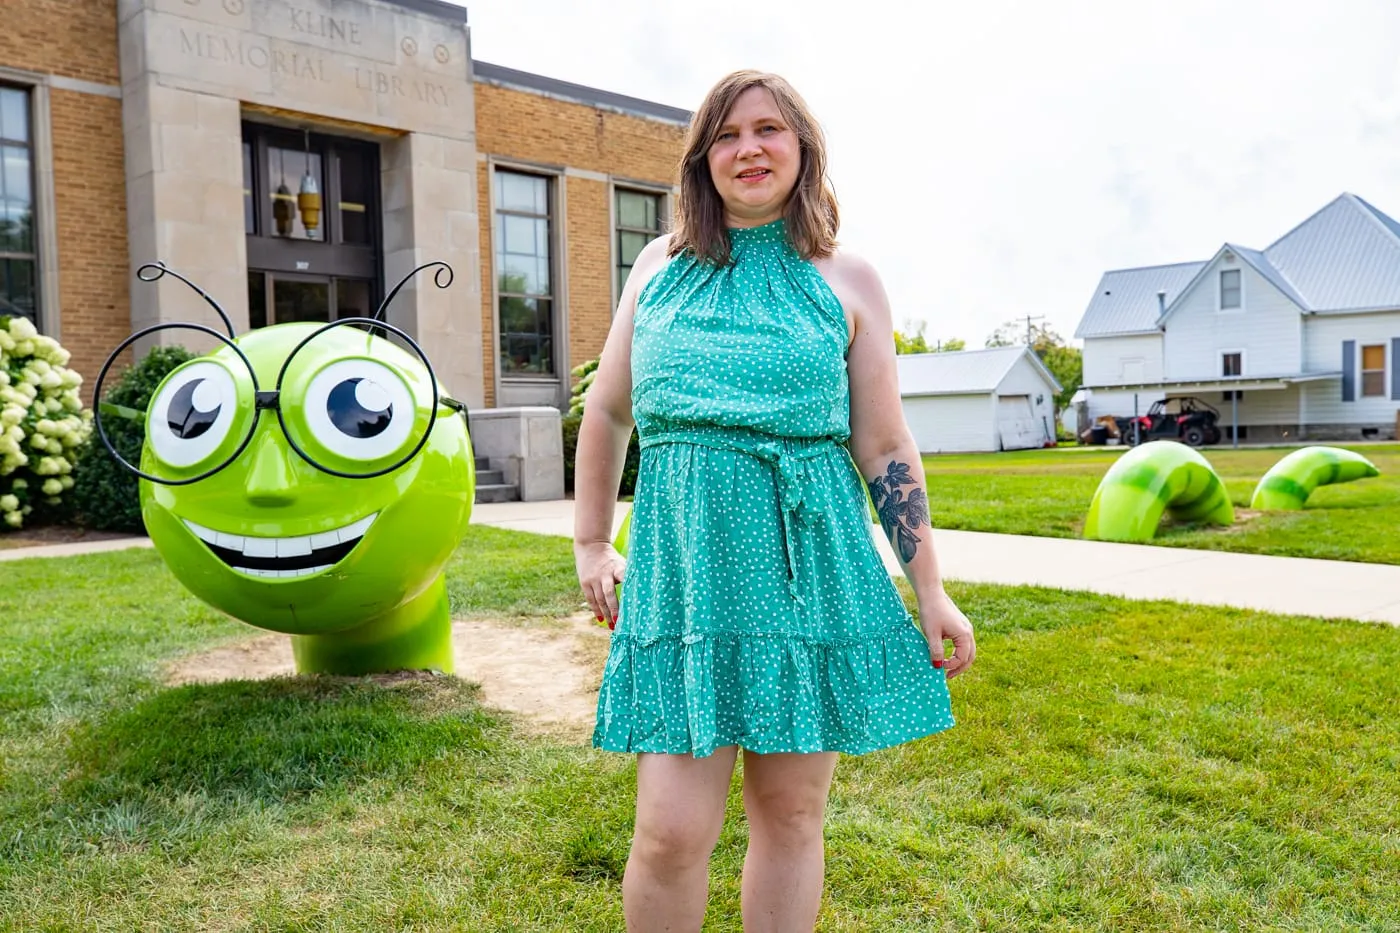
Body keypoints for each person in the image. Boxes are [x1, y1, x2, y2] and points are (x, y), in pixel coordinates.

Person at [573, 69, 976, 932]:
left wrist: (929, 588)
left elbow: (885, 447)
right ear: (701, 159)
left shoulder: (849, 279)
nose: (748, 148)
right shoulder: (660, 268)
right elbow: (606, 410)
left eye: (767, 130)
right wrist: (590, 541)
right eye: (725, 134)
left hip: (807, 570)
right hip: (688, 573)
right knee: (670, 832)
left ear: (803, 148)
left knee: (791, 814)